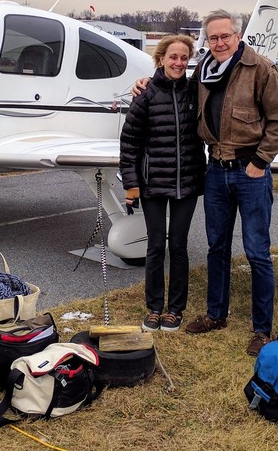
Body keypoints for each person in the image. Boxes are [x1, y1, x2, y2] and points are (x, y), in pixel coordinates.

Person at [133, 11, 278, 355]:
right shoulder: (205, 71)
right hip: (216, 171)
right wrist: (145, 82)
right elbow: (173, 87)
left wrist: (260, 162)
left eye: (225, 36)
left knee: (256, 252)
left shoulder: (260, 69)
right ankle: (215, 314)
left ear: (237, 36)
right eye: (213, 38)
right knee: (216, 248)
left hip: (250, 170)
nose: (219, 43)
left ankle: (262, 329)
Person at [119, 35, 205, 332]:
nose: (179, 63)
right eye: (173, 57)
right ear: (161, 59)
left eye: (184, 58)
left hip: (187, 183)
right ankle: (154, 307)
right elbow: (129, 144)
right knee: (156, 246)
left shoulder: (195, 92)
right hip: (153, 184)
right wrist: (131, 185)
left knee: (178, 246)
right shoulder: (145, 94)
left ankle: (175, 309)